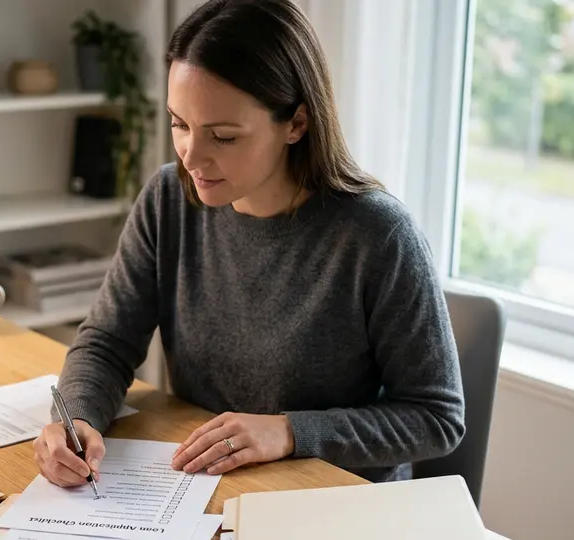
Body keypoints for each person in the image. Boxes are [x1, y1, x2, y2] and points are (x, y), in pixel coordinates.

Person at [33, 0, 464, 487]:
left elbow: (436, 418)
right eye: (179, 124)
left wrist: (289, 432)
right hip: (209, 486)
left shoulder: (379, 235)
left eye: (223, 137)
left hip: (336, 500)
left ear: (296, 124)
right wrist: (78, 417)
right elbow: (108, 343)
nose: (191, 157)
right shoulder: (169, 199)